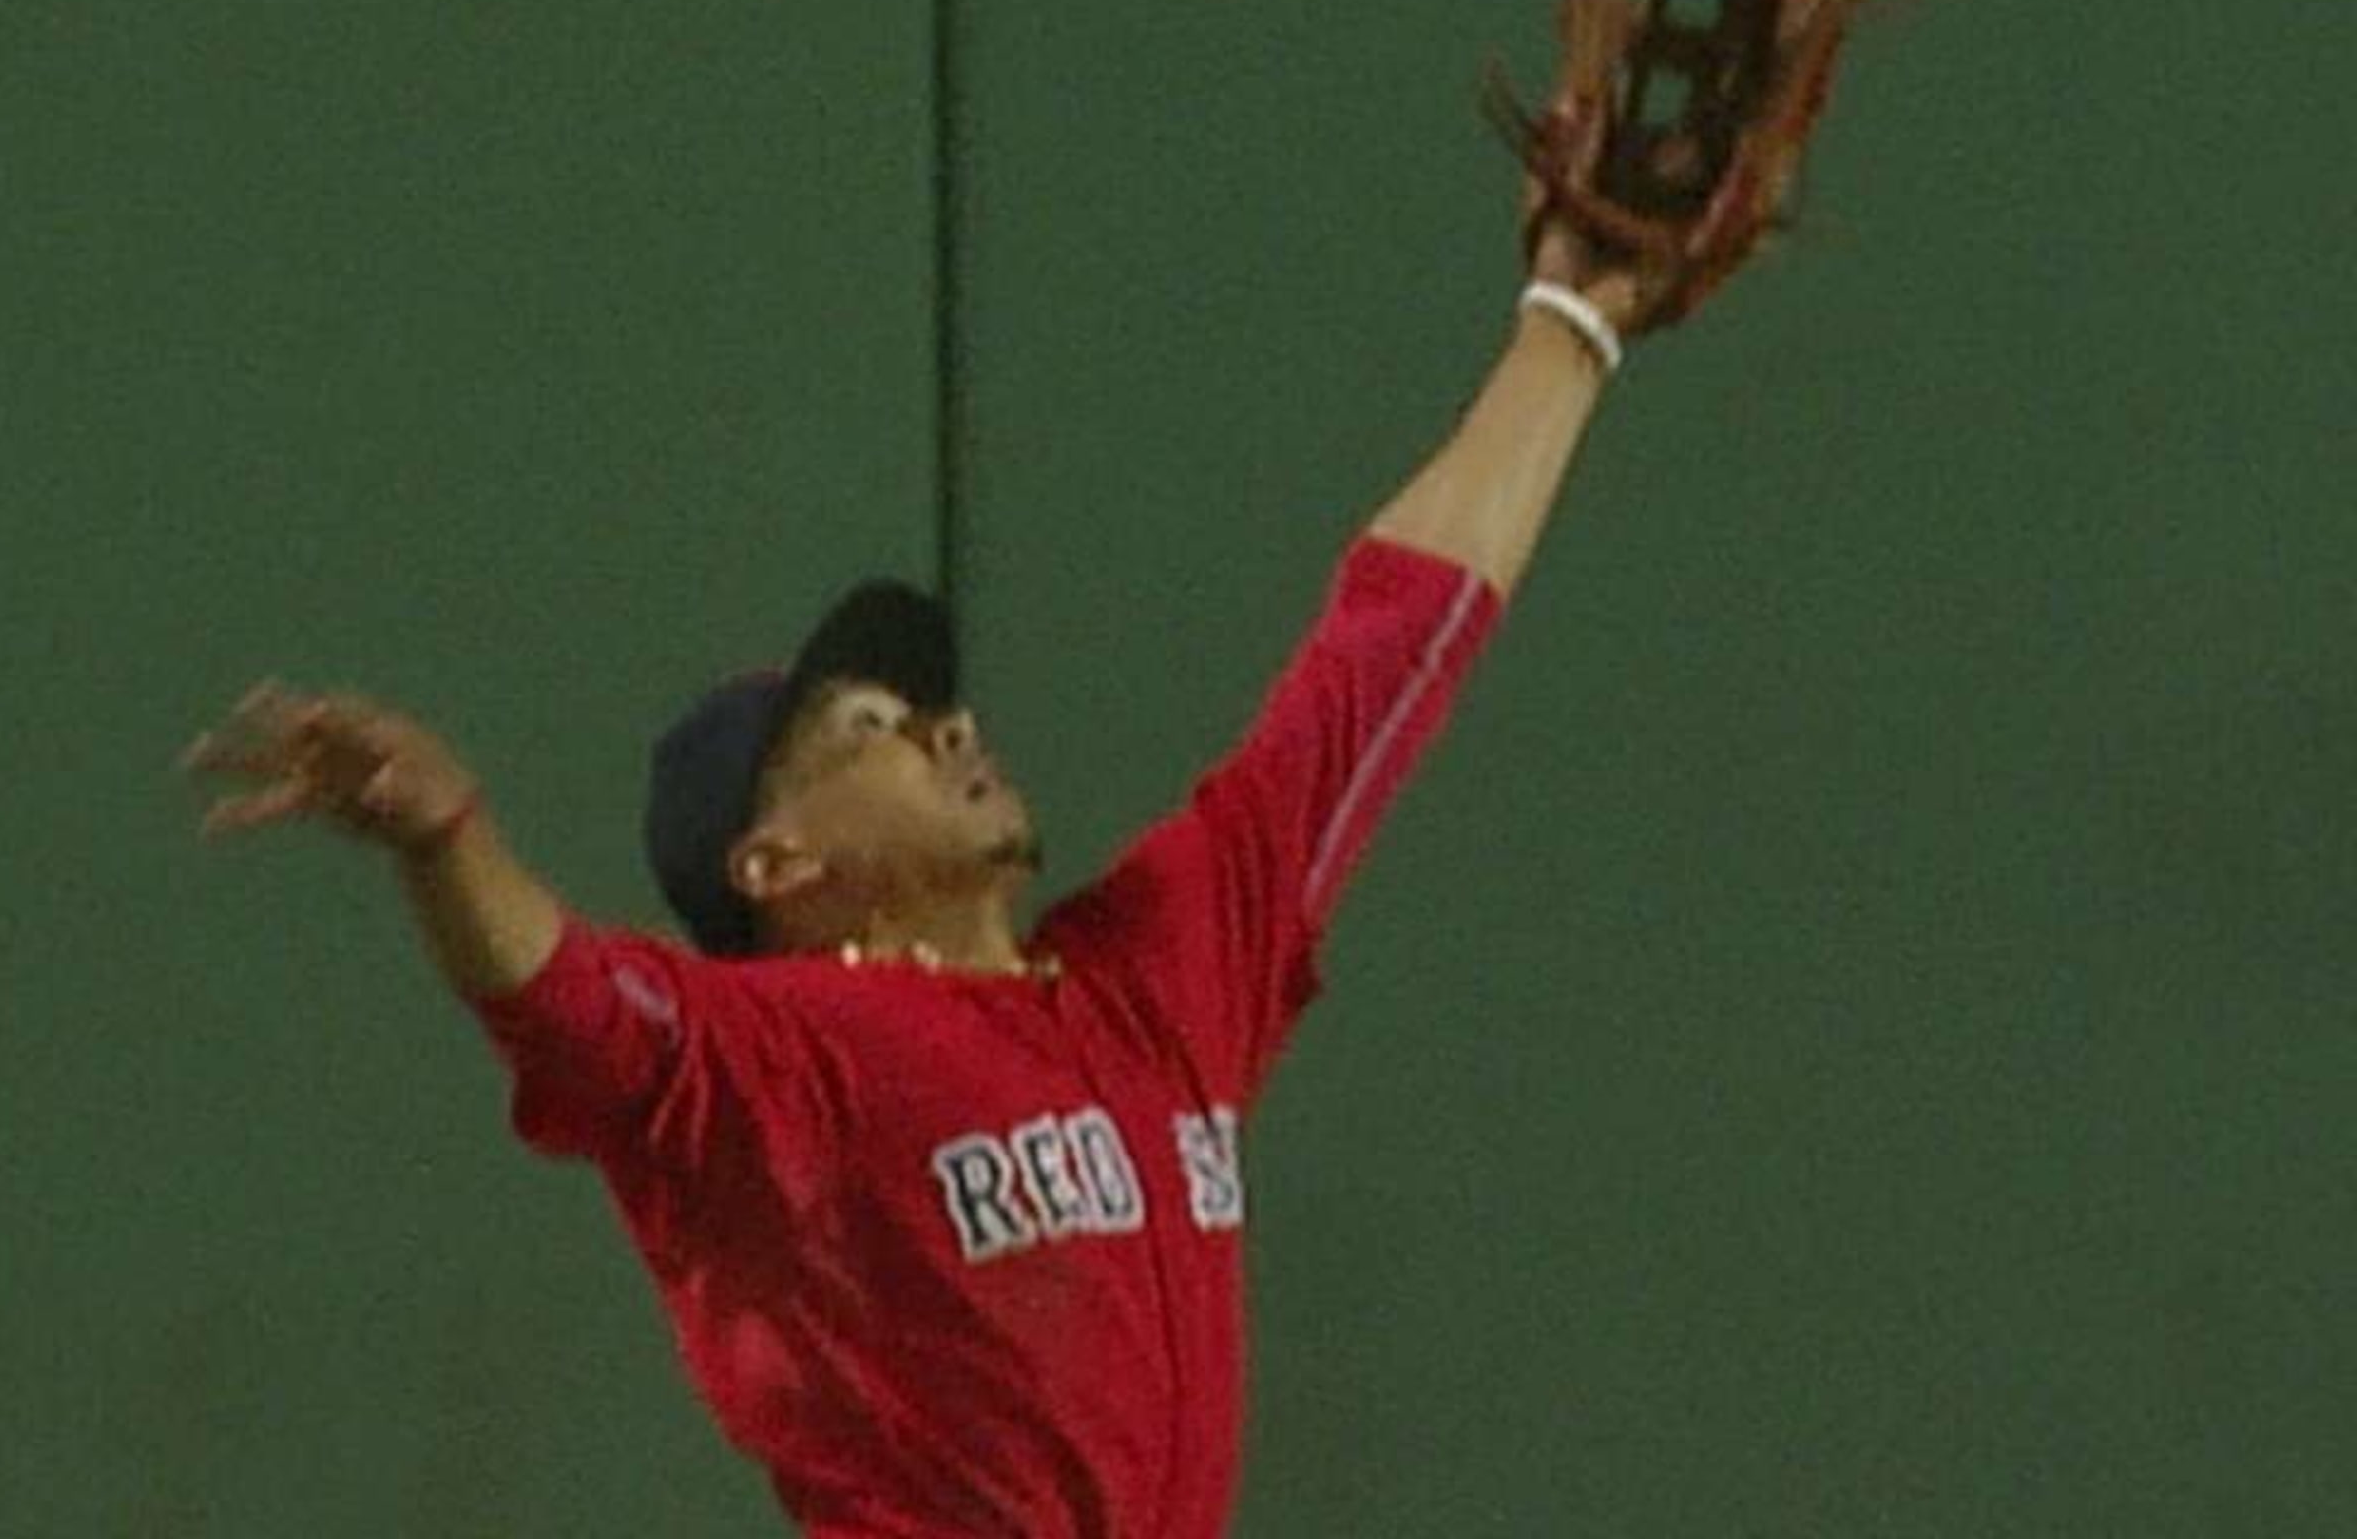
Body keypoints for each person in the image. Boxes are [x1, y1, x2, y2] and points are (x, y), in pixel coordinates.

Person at [181, 222, 1657, 1536]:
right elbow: (574, 1007)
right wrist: (452, 843)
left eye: (930, 709)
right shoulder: (789, 1060)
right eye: (872, 731)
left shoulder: (1155, 981)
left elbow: (1378, 658)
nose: (949, 727)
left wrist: (1569, 327)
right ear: (778, 861)